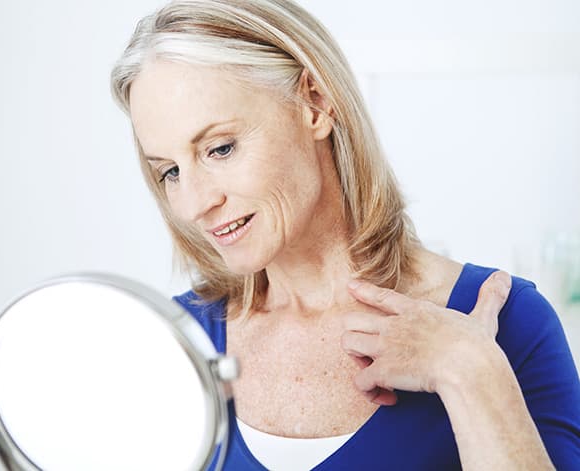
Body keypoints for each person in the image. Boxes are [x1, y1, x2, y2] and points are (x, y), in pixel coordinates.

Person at [111, 0, 580, 469]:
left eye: (220, 148)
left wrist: (472, 372)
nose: (194, 204)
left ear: (315, 104)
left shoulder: (504, 324)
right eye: (170, 171)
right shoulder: (179, 342)